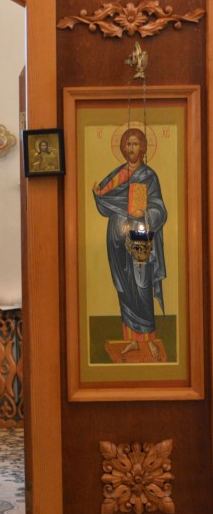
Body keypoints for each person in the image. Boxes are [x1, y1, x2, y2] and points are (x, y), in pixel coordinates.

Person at [93, 127, 167, 360]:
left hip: (140, 235)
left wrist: (144, 212)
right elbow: (105, 204)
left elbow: (160, 209)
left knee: (142, 286)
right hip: (116, 240)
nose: (130, 148)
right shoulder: (117, 174)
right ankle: (132, 341)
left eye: (135, 144)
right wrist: (98, 195)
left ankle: (149, 339)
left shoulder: (149, 176)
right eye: (127, 144)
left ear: (142, 148)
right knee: (124, 287)